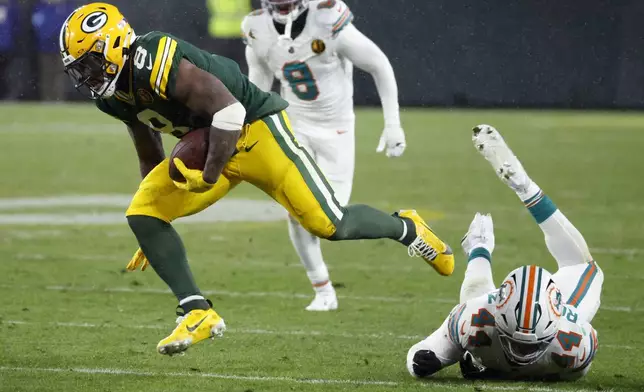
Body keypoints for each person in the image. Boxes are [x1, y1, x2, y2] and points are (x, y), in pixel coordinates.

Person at [59, 2, 454, 356]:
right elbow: (148, 146)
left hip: (254, 130)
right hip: (210, 142)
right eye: (79, 67)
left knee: (329, 223)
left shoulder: (158, 58)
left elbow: (229, 113)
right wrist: (157, 221)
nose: (85, 75)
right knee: (142, 212)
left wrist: (208, 175)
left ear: (115, 47)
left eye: (89, 63)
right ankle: (198, 313)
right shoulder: (111, 95)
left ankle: (408, 228)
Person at [242, 0, 406, 311]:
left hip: (337, 131)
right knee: (296, 211)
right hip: (295, 124)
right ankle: (323, 290)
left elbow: (378, 63)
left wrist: (393, 123)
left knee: (331, 222)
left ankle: (404, 228)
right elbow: (259, 85)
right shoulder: (256, 28)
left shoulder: (327, 17)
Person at [407, 125, 603, 380]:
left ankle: (482, 241)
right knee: (584, 268)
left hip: (491, 341)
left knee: (473, 301)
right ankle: (520, 196)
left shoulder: (575, 339)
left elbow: (571, 374)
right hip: (489, 326)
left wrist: (492, 370)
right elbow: (425, 352)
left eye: (529, 345)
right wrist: (424, 360)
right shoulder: (479, 317)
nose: (522, 352)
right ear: (497, 310)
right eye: (518, 343)